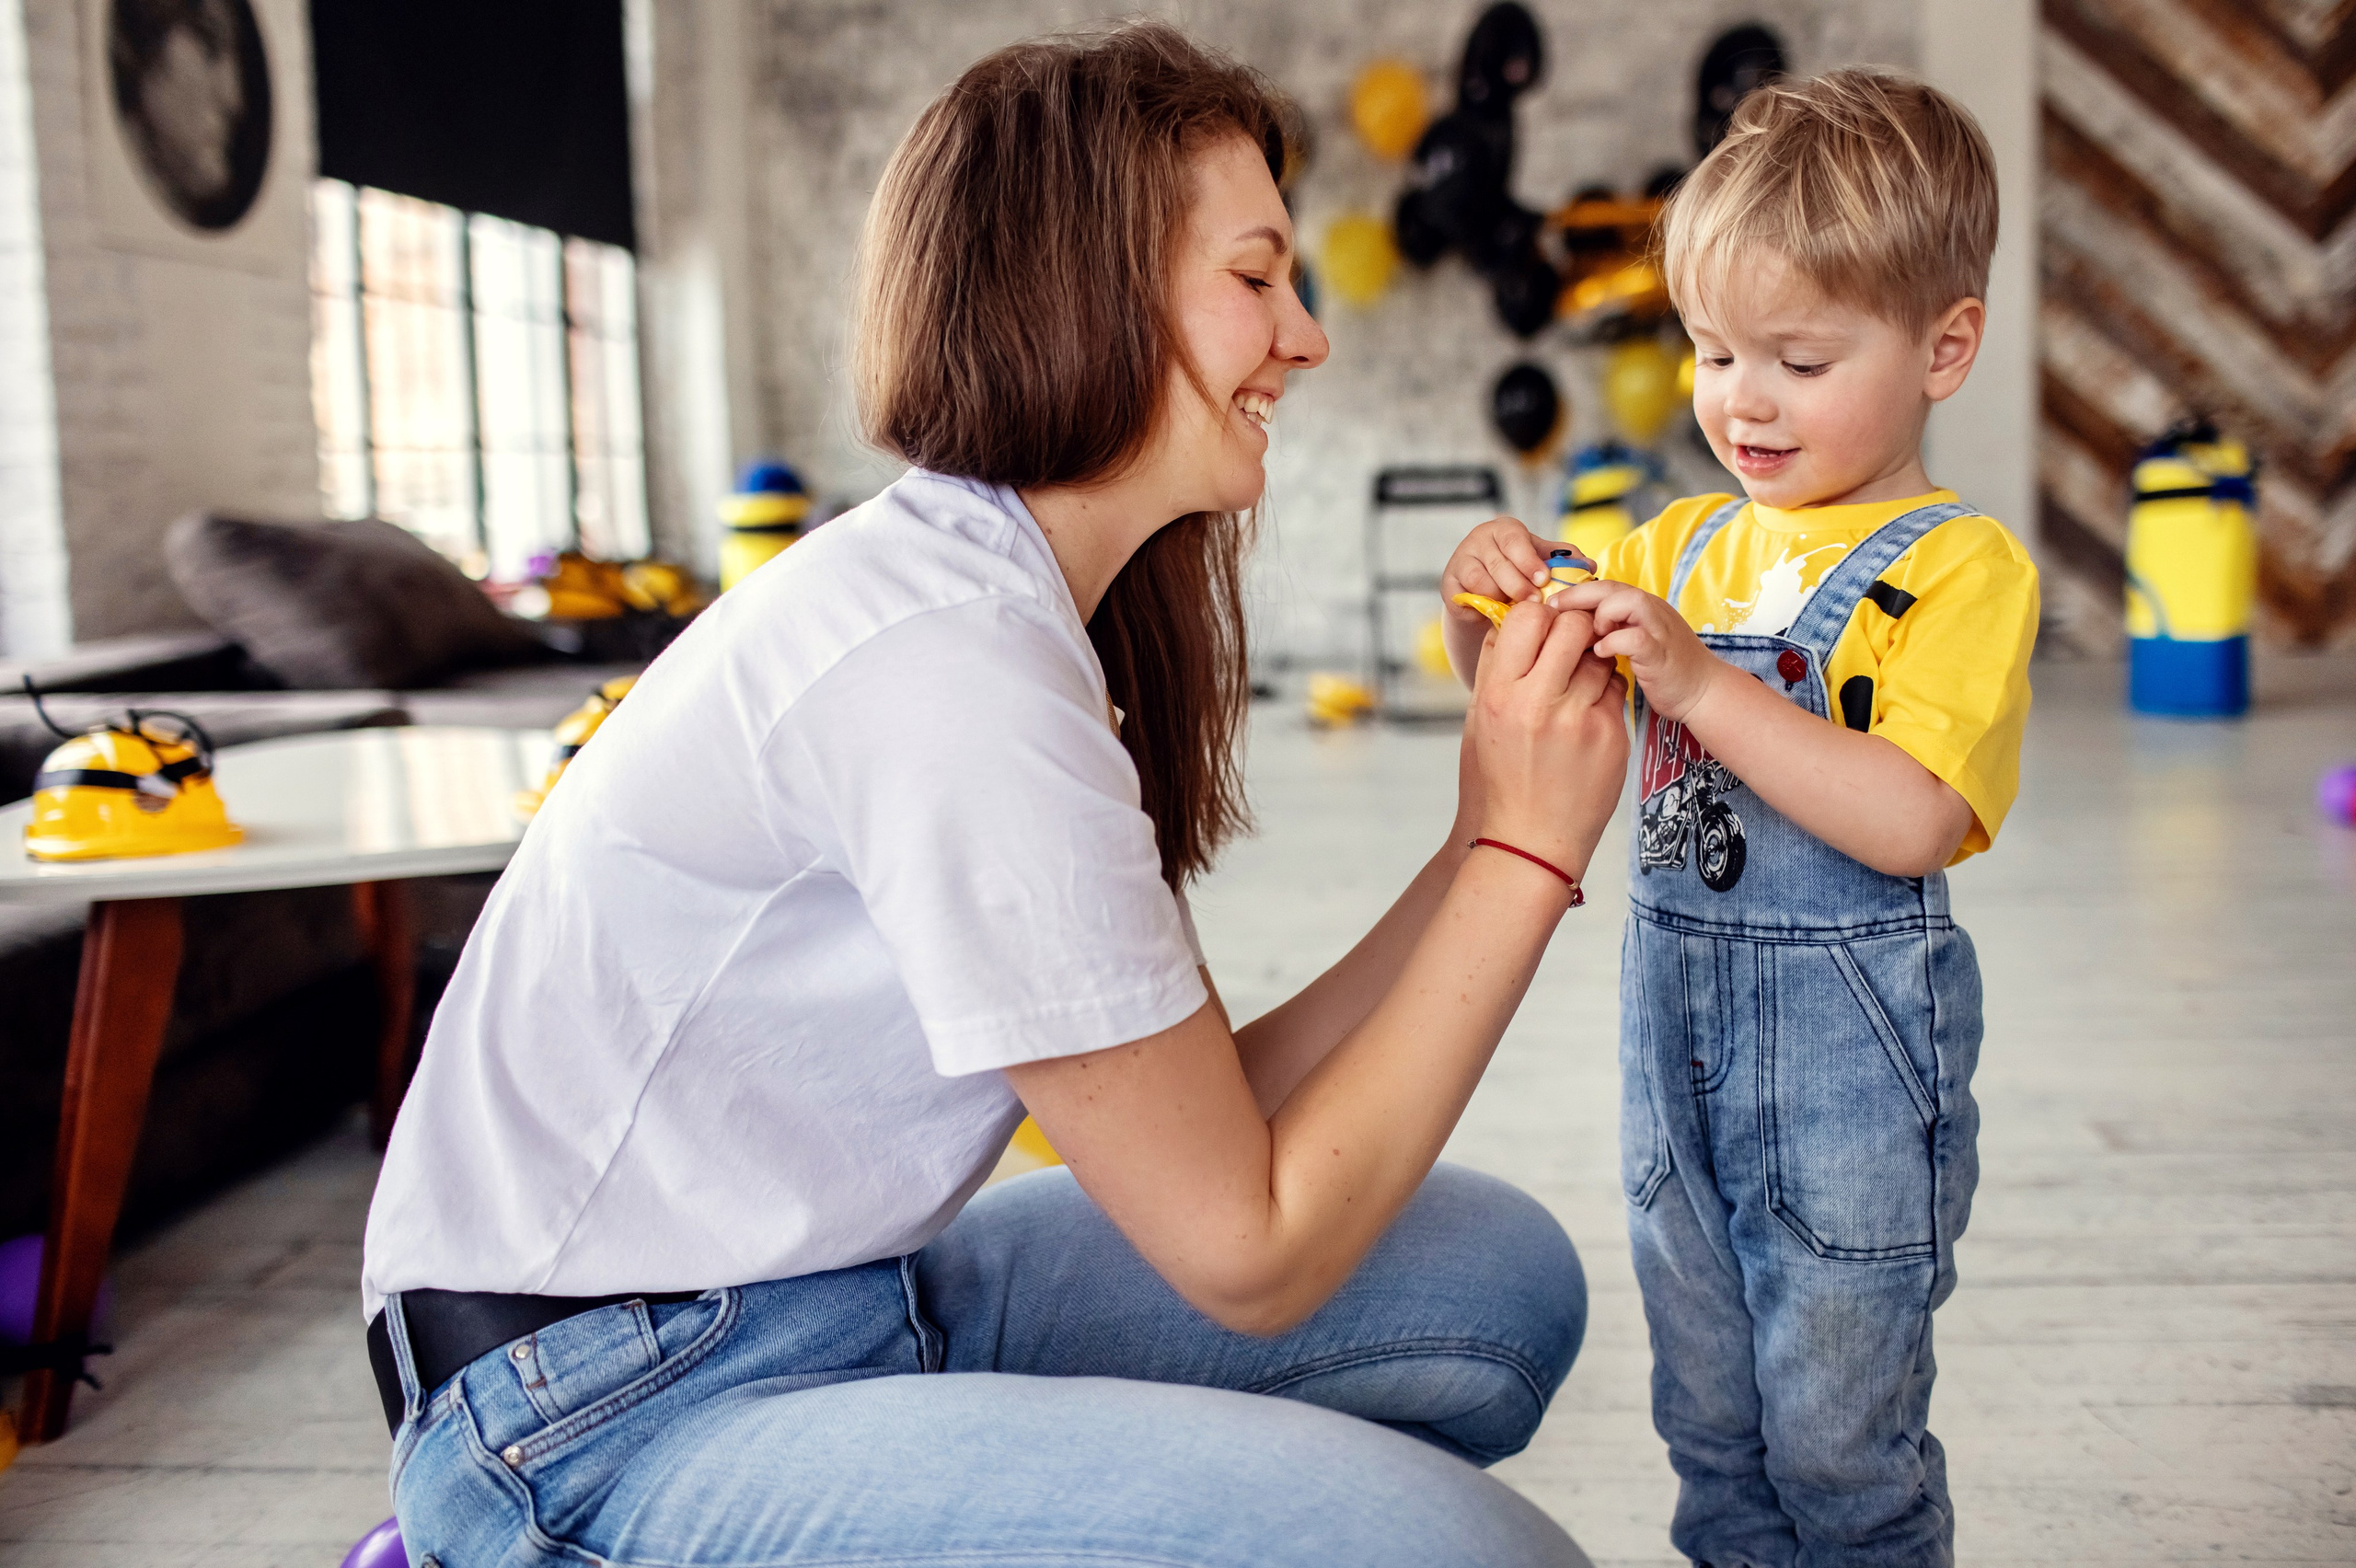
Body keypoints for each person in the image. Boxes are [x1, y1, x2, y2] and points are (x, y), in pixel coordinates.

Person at [361, 23, 1632, 1567]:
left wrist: (1475, 823)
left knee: (1497, 1286)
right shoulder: (950, 671)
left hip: (841, 1289)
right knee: (1477, 1561)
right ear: (1085, 293)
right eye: (1256, 279)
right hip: (590, 1418)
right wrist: (1525, 851)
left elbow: (1209, 1136)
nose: (1306, 337)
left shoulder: (1016, 614)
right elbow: (1254, 1253)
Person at [1441, 69, 2038, 1568]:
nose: (1741, 398)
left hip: (1848, 1081)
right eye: (1710, 350)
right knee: (1711, 1431)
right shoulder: (1679, 541)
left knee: (1840, 1444)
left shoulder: (1958, 569)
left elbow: (1910, 816)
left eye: (1798, 357)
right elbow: (1525, 692)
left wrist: (1701, 684)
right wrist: (1493, 604)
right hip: (1675, 1059)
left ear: (1943, 347)